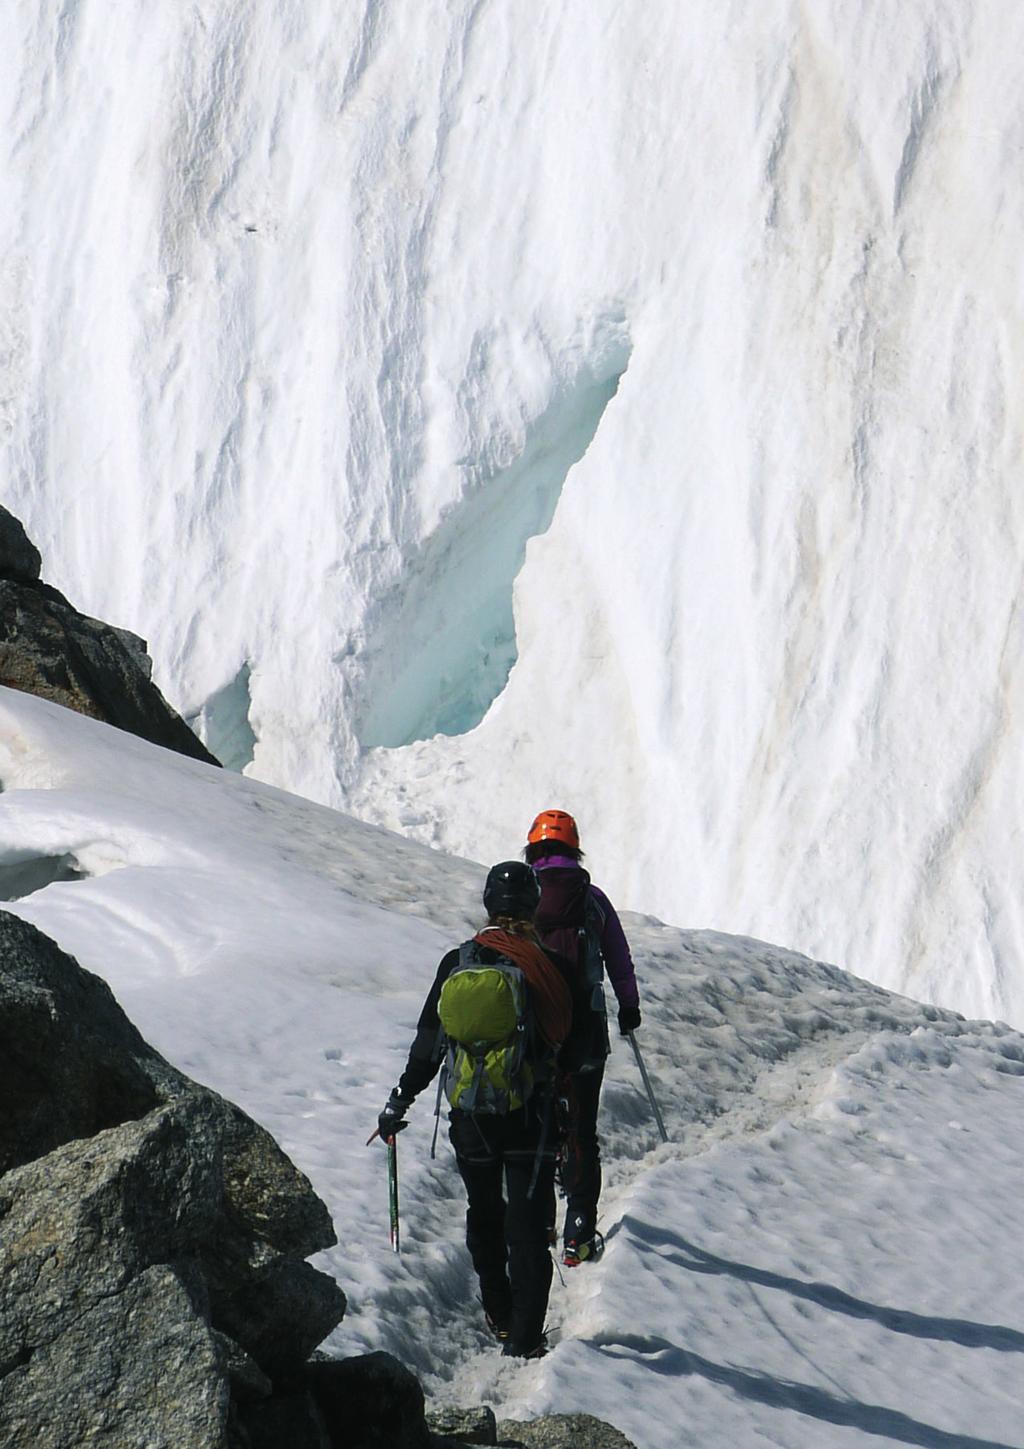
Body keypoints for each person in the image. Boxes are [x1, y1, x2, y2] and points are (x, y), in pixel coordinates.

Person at [375, 861, 587, 1359]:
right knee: (529, 1224)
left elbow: (430, 1043)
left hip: (470, 1118)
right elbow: (579, 1053)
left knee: (484, 1212)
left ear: (489, 905)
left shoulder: (457, 962)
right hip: (529, 1118)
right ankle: (525, 1335)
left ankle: (498, 1309)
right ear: (533, 906)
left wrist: (399, 1100)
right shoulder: (550, 966)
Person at [524, 808, 641, 1267]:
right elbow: (618, 959)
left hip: (535, 1032)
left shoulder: (521, 895)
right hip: (587, 1031)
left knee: (539, 1127)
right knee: (582, 1131)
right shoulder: (592, 899)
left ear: (533, 849)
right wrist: (629, 1008)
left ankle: (541, 1225)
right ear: (574, 850)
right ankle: (579, 1232)